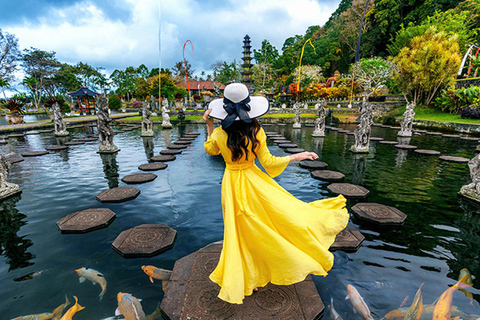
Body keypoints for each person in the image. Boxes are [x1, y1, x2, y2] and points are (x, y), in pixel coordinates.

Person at [203, 83, 349, 304]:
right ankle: (264, 263)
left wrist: (209, 124)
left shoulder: (219, 133)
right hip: (253, 181)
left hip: (231, 183)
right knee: (265, 222)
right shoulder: (256, 131)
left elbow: (210, 149)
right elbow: (269, 164)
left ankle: (246, 271)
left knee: (238, 228)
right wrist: (295, 156)